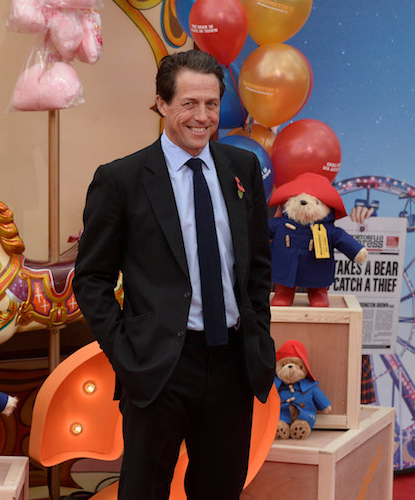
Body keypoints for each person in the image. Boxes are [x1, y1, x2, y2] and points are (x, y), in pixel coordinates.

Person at [73, 49, 275, 499]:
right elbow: (91, 280)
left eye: (211, 104)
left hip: (231, 366)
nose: (202, 117)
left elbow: (258, 267)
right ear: (162, 104)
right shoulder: (121, 179)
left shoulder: (242, 170)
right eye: (189, 103)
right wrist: (127, 355)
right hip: (159, 368)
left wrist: (258, 333)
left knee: (220, 490)